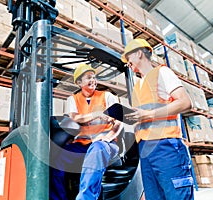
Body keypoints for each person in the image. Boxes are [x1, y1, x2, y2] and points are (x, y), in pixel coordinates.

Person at [121, 39, 194, 200]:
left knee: (177, 195)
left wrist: (147, 115)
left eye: (128, 58)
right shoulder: (138, 86)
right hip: (146, 150)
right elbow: (141, 117)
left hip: (166, 147)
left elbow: (185, 102)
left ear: (139, 53)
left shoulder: (162, 73)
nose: (127, 63)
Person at [50, 63, 123, 200]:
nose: (93, 80)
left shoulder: (107, 96)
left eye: (94, 77)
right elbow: (74, 118)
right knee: (57, 161)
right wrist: (96, 114)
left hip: (105, 144)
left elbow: (119, 122)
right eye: (89, 77)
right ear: (79, 82)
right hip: (82, 145)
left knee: (97, 149)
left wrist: (107, 137)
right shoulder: (73, 99)